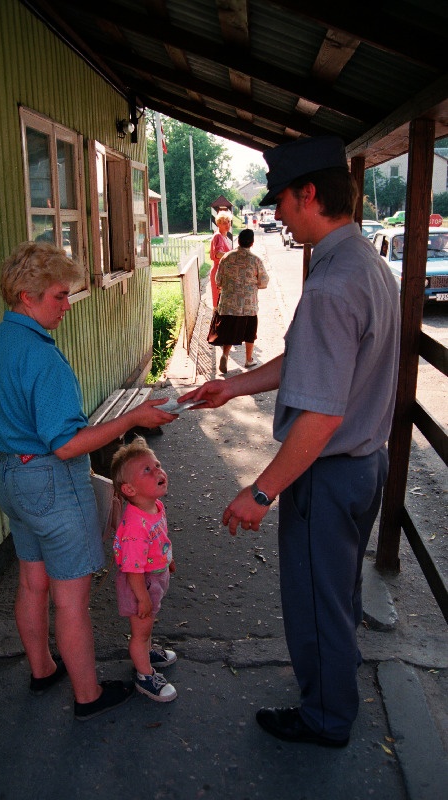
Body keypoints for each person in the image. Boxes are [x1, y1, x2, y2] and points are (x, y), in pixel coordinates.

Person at [181, 135, 401, 747]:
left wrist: (261, 490)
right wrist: (234, 387)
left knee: (315, 601)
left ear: (310, 194)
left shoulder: (332, 284)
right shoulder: (364, 263)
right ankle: (336, 684)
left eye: (282, 199)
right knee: (339, 593)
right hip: (366, 465)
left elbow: (321, 416)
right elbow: (311, 359)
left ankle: (326, 719)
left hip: (328, 472)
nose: (277, 211)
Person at [0, 241, 177, 722]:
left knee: (32, 580)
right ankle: (88, 696)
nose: (67, 306)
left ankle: (43, 669)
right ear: (27, 295)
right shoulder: (43, 358)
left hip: (11, 474)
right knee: (71, 600)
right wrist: (135, 415)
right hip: (49, 481)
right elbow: (66, 444)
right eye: (59, 297)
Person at [111, 436, 177, 702]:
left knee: (146, 627)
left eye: (157, 464)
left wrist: (168, 558)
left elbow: (161, 537)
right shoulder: (135, 528)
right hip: (141, 585)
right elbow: (132, 571)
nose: (158, 471)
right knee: (140, 631)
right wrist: (142, 598)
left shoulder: (154, 506)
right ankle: (144, 676)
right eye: (147, 470)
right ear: (129, 489)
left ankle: (147, 651)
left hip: (153, 577)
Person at [207, 227, 269, 374]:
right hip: (248, 305)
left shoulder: (226, 257)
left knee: (229, 330)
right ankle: (248, 359)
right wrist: (254, 285)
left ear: (238, 241)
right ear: (252, 243)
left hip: (228, 304)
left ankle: (225, 355)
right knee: (249, 332)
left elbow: (218, 280)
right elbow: (264, 281)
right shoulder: (256, 260)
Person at [209, 211, 233, 309]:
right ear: (218, 224)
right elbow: (218, 254)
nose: (227, 224)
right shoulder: (218, 236)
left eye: (228, 222)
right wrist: (233, 255)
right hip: (219, 272)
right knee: (219, 303)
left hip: (224, 272)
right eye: (224, 223)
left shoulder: (225, 236)